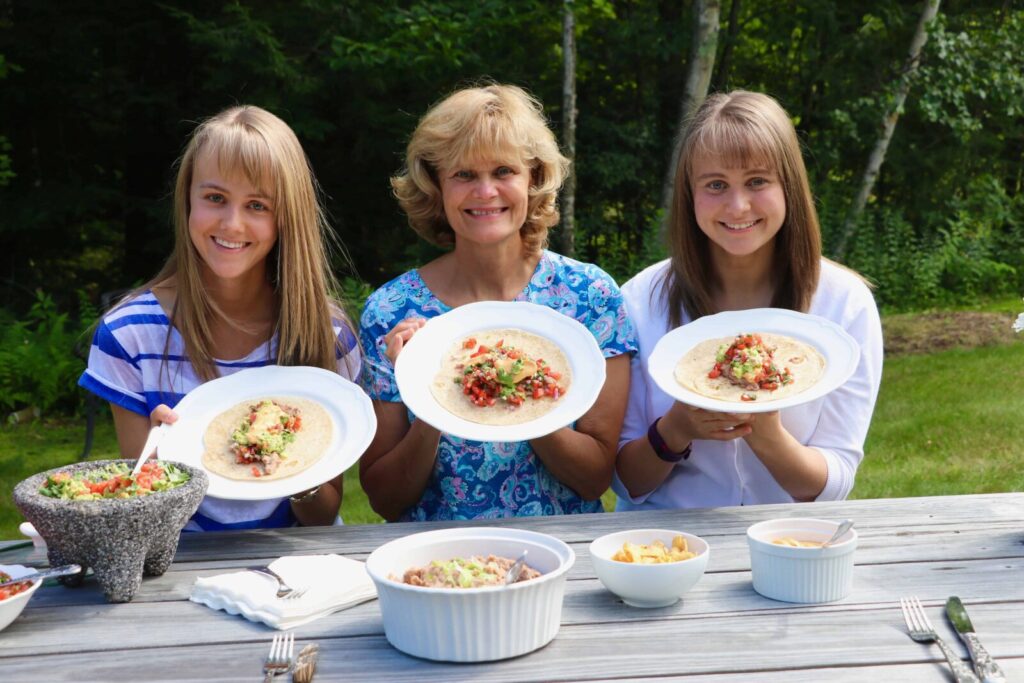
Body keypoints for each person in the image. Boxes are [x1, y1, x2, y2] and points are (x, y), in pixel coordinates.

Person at [359, 84, 637, 521]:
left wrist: (520, 387)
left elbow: (593, 478)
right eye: (463, 174)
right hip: (437, 565)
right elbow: (386, 501)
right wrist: (429, 394)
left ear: (534, 179)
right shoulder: (392, 311)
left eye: (503, 171)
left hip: (559, 556)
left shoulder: (590, 296)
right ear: (436, 186)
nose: (485, 192)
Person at [78, 105, 360, 530]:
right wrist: (159, 464)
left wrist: (300, 464)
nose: (232, 223)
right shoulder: (129, 336)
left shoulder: (327, 335)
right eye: (215, 198)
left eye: (257, 205)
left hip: (299, 569)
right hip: (177, 568)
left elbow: (321, 518)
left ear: (287, 217)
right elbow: (145, 520)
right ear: (187, 199)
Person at [613, 91, 883, 510]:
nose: (737, 206)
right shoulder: (637, 301)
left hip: (788, 545)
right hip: (664, 549)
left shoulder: (846, 304)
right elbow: (623, 482)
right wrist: (676, 429)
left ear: (788, 186)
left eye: (757, 181)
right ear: (689, 194)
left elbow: (831, 486)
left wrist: (767, 431)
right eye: (715, 185)